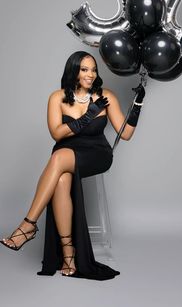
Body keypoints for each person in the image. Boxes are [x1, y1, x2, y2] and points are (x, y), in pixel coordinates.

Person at [0, 51, 145, 280]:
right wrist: (88, 116)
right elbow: (56, 134)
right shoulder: (57, 98)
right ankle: (69, 255)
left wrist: (137, 104)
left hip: (97, 153)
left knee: (58, 159)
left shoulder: (105, 96)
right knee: (60, 179)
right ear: (74, 71)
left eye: (93, 69)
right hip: (67, 152)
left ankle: (28, 226)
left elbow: (125, 134)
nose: (90, 74)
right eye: (84, 69)